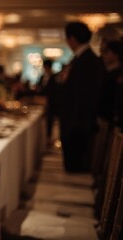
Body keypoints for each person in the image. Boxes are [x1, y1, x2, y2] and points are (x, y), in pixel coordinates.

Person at [57, 22, 105, 172]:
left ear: (72, 39)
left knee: (75, 168)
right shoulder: (81, 59)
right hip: (74, 121)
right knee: (72, 166)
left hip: (77, 123)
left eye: (67, 38)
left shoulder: (88, 60)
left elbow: (85, 95)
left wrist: (73, 124)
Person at [39, 59, 58, 140]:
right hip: (41, 101)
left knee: (49, 120)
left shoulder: (54, 77)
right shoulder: (42, 77)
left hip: (51, 102)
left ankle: (48, 138)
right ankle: (43, 137)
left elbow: (54, 91)